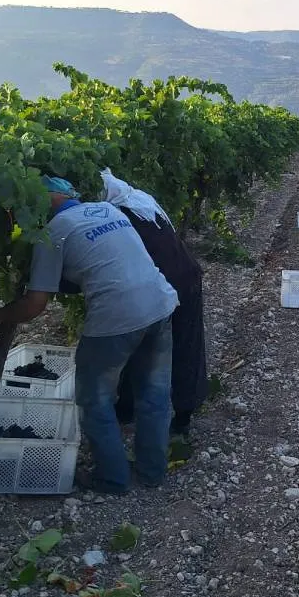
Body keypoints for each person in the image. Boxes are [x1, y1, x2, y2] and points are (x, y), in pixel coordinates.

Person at [0, 175, 179, 494]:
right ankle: (152, 472)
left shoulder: (53, 232)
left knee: (95, 400)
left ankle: (112, 479)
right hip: (160, 304)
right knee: (154, 395)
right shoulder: (110, 211)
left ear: (44, 201)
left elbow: (34, 305)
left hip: (116, 318)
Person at [98, 168, 207, 436]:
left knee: (160, 346)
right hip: (182, 275)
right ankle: (159, 412)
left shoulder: (114, 215)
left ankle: (177, 416)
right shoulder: (139, 201)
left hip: (167, 283)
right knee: (179, 345)